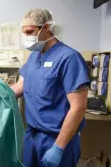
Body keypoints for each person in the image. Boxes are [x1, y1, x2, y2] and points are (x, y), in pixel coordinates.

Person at [11, 8, 90, 167]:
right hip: (32, 137)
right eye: (24, 33)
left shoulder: (69, 58)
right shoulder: (34, 58)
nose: (26, 37)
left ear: (46, 27)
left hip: (57, 139)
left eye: (30, 32)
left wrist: (58, 147)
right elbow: (19, 87)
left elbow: (79, 107)